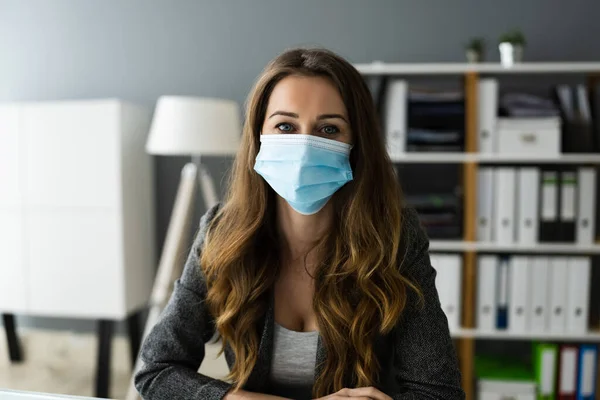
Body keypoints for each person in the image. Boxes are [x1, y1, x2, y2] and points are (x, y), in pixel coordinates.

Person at [135, 47, 465, 400]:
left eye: (329, 128)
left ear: (357, 143)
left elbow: (439, 392)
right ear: (258, 137)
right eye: (285, 126)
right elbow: (157, 371)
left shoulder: (395, 237)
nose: (306, 147)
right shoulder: (220, 232)